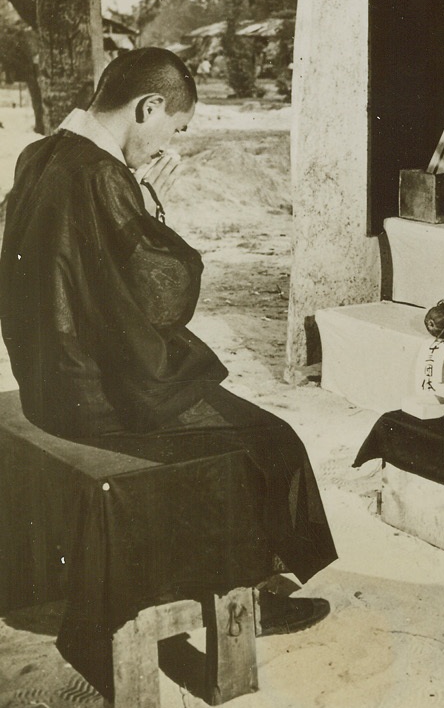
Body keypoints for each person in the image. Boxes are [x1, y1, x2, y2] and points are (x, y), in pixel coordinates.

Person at [0, 47, 335, 636]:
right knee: (272, 440)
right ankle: (245, 601)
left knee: (234, 419)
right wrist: (152, 205)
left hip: (42, 378)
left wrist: (134, 193)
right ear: (148, 106)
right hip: (91, 397)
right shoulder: (104, 175)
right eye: (172, 130)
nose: (165, 148)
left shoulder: (39, 153)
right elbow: (162, 300)